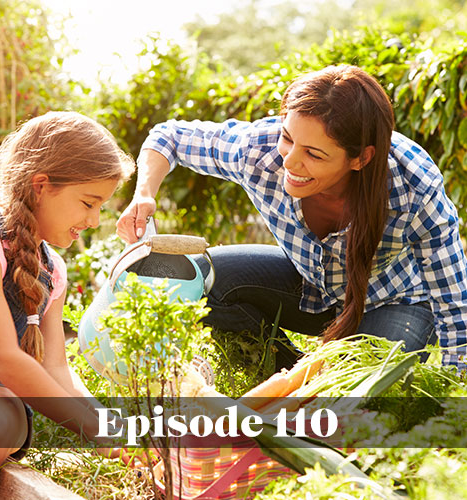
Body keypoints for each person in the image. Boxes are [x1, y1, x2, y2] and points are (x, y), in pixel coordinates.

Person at [116, 64, 467, 374]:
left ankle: (330, 383)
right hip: (309, 288)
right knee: (197, 279)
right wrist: (144, 193)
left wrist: (456, 385)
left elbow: (453, 300)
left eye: (313, 154)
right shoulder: (258, 150)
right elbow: (168, 137)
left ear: (360, 158)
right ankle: (286, 373)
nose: (290, 161)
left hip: (393, 300)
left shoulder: (413, 185)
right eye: (287, 137)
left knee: (359, 393)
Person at [0, 111, 135, 500]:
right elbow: (5, 358)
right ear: (40, 186)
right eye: (88, 203)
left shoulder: (51, 270)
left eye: (101, 208)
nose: (94, 220)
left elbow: (54, 366)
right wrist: (89, 428)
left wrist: (107, 424)